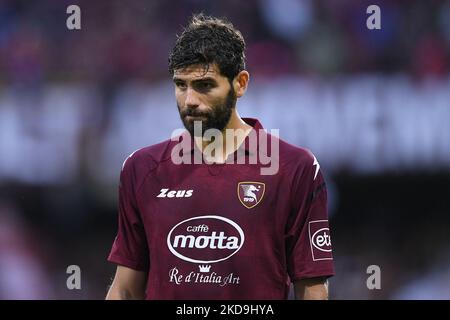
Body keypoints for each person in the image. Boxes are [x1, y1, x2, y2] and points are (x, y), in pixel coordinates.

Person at [106, 14, 334, 300]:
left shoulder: (294, 168)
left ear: (240, 83)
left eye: (204, 85)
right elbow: (126, 289)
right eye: (181, 85)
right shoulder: (141, 169)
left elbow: (311, 288)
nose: (189, 100)